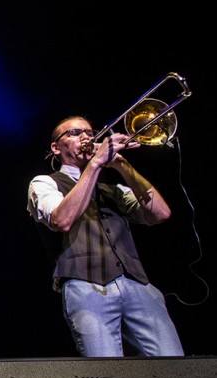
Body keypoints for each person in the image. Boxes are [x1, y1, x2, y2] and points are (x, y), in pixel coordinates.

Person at [27, 115, 184, 357]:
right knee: (107, 376)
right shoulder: (44, 182)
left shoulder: (112, 190)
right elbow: (61, 219)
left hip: (137, 284)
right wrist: (95, 164)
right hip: (86, 286)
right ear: (56, 148)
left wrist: (121, 164)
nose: (86, 137)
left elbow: (161, 214)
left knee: (175, 366)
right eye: (75, 133)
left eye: (90, 132)